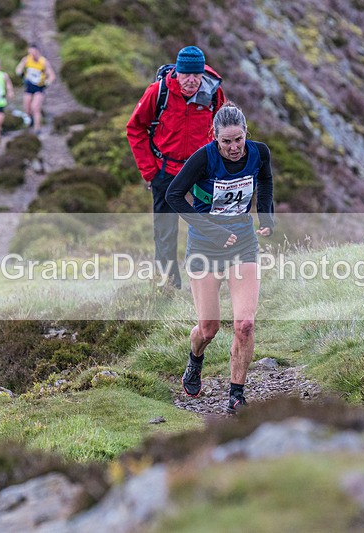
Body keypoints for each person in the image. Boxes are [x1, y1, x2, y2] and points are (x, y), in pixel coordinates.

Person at [166, 102, 274, 414]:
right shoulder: (204, 159)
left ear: (245, 134)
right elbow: (174, 195)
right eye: (226, 141)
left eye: (238, 139)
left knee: (245, 325)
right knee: (208, 328)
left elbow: (265, 180)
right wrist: (212, 231)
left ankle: (236, 395)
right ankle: (194, 360)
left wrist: (266, 215)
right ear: (215, 138)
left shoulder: (258, 152)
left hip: (243, 244)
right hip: (205, 248)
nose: (234, 147)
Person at [127, 45, 226, 290]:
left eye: (196, 75)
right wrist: (150, 172)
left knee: (209, 224)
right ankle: (168, 284)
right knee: (165, 232)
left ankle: (209, 281)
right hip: (166, 172)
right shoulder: (158, 92)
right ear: (177, 72)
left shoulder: (214, 94)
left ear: (202, 73)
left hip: (202, 174)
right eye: (186, 74)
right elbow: (135, 128)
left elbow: (224, 129)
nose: (191, 80)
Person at [15, 43, 55, 135]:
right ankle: (31, 121)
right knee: (27, 108)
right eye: (30, 53)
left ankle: (38, 128)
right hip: (28, 87)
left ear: (37, 52)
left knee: (35, 108)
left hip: (39, 88)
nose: (32, 55)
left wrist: (47, 83)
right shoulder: (26, 59)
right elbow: (18, 69)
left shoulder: (43, 62)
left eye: (34, 53)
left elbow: (52, 75)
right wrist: (20, 74)